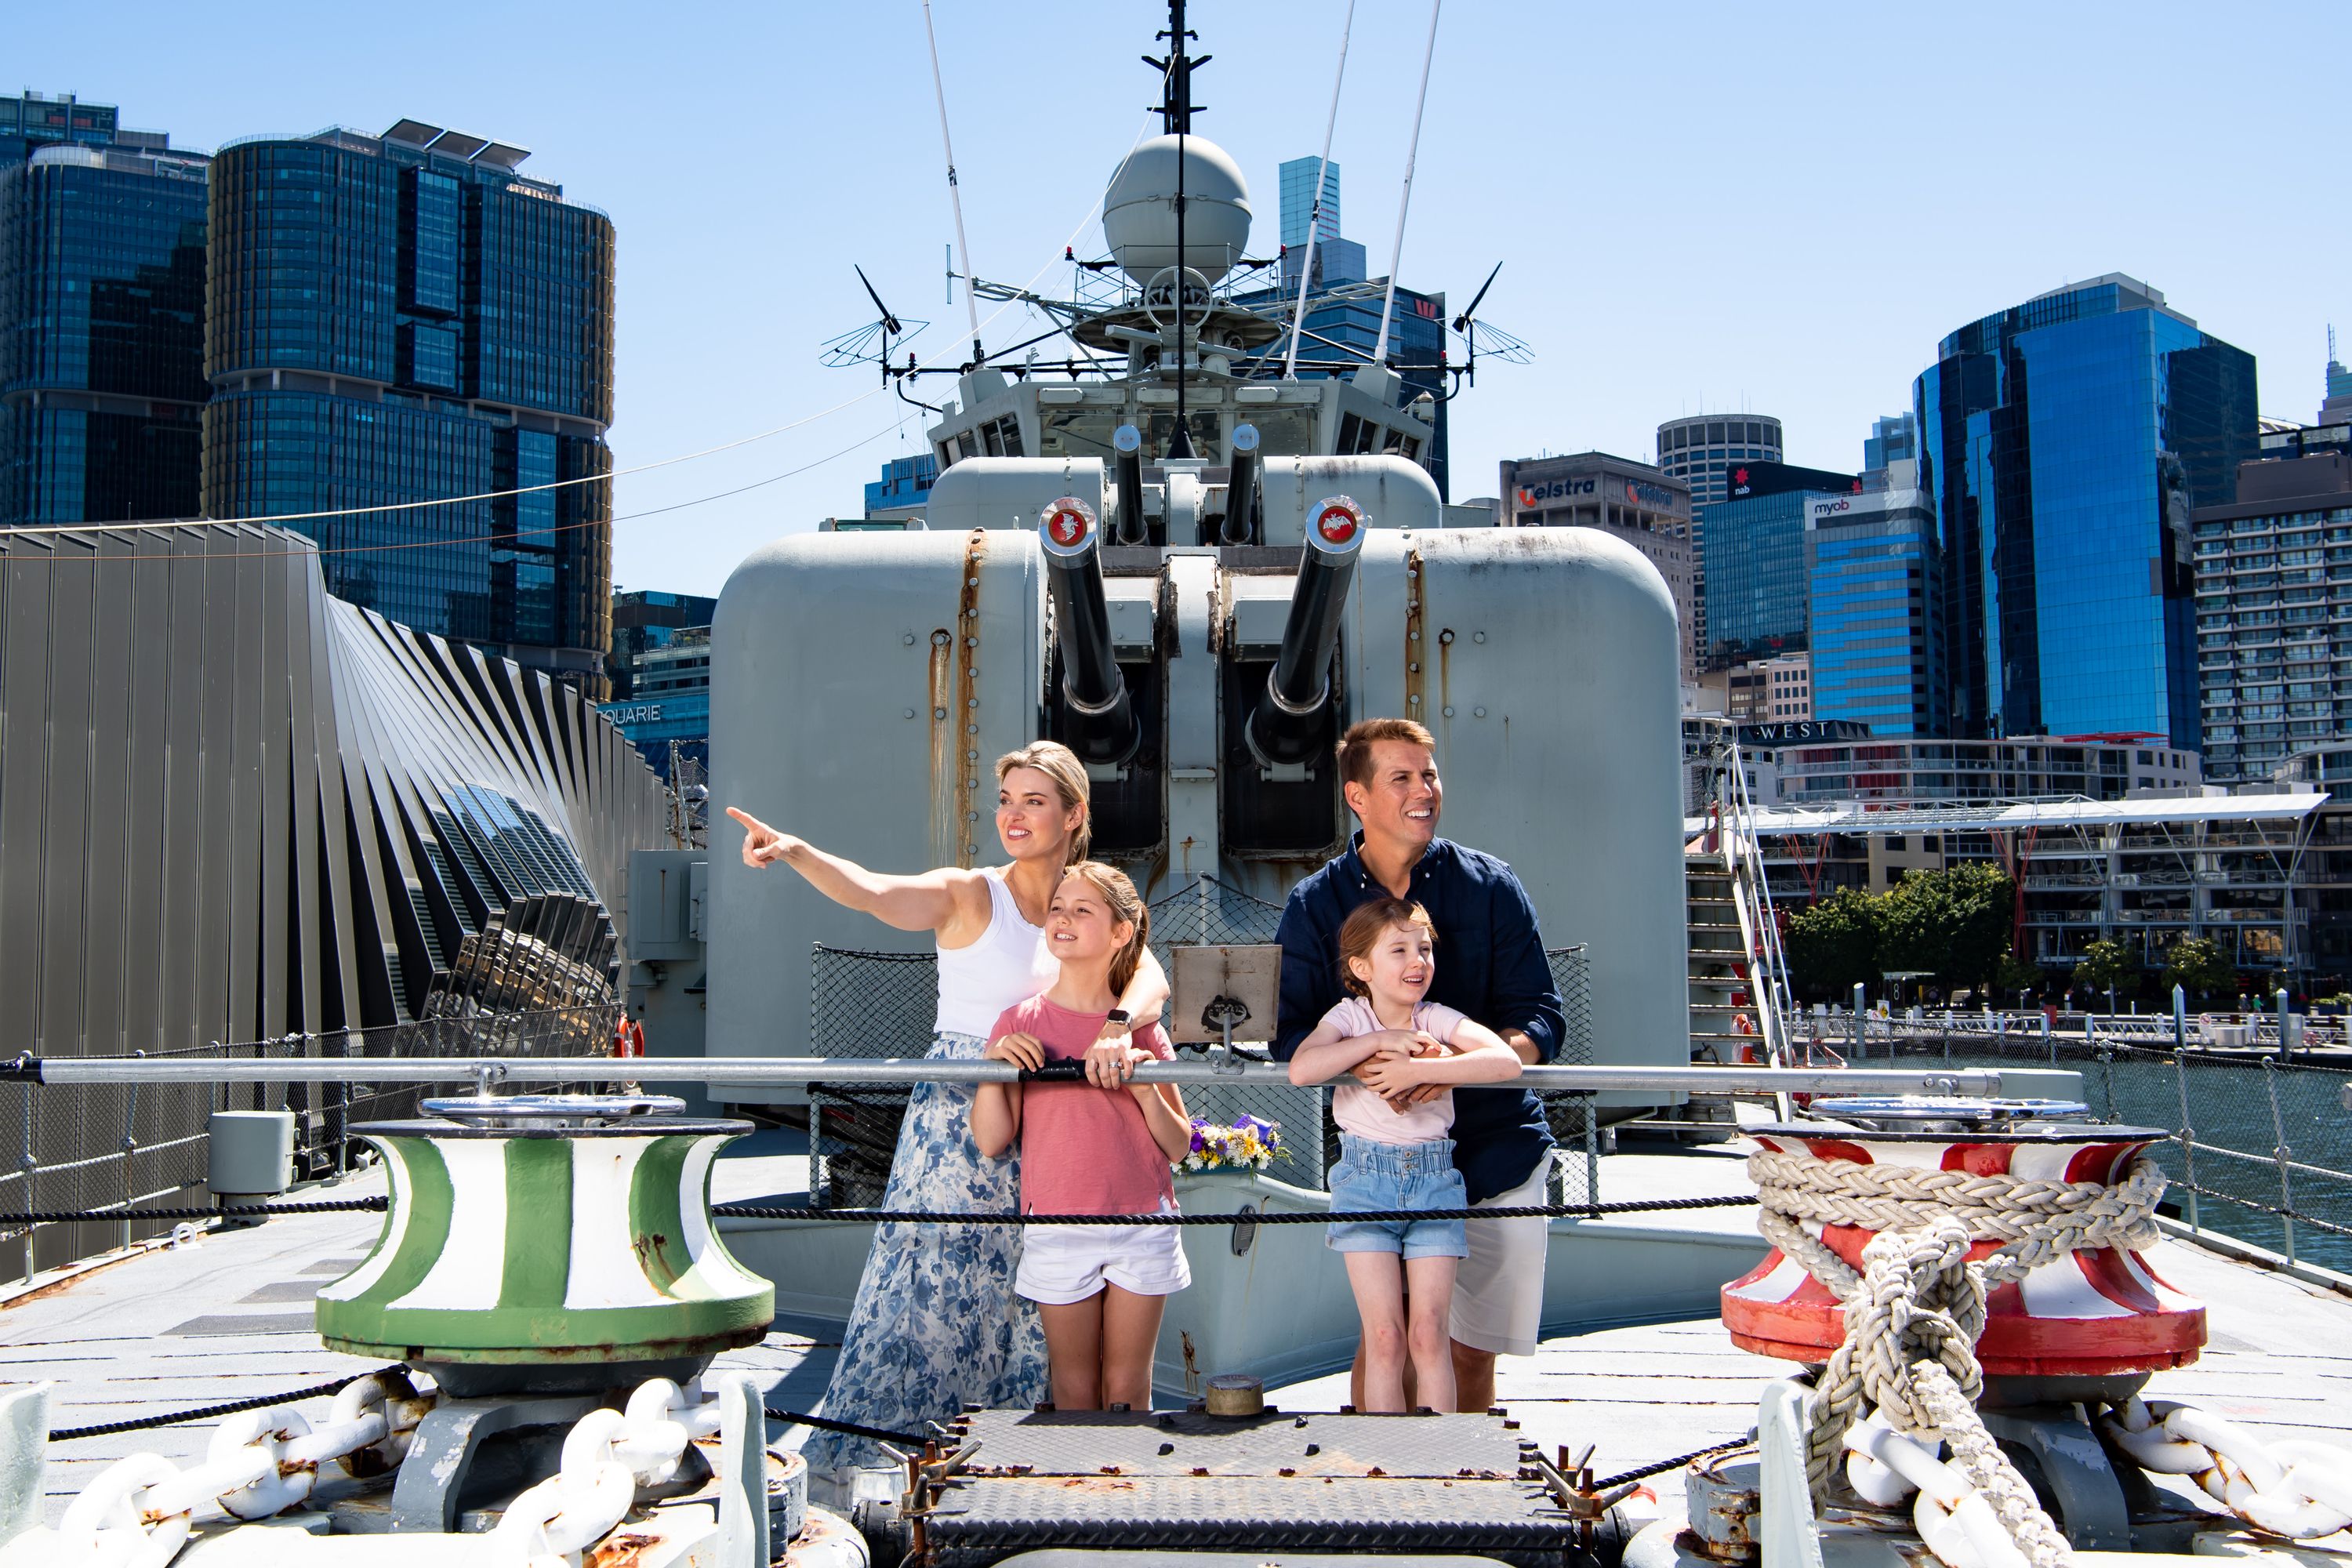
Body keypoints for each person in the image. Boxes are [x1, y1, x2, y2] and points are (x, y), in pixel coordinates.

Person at [724, 742, 1171, 1472]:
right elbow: (873, 891)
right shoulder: (971, 893)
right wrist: (799, 852)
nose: (1014, 816)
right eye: (1007, 801)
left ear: (1074, 813)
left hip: (1054, 1118)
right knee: (934, 1284)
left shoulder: (1086, 899)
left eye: (1034, 801)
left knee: (1034, 1295)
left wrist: (1120, 1024)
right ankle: (897, 1459)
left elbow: (1148, 972)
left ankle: (1023, 1459)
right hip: (959, 1118)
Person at [1272, 717, 1566, 1414]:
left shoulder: (1493, 887)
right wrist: (1378, 1061)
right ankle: (1379, 1503)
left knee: (1466, 1349)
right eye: (1401, 777)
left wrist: (1446, 1070)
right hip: (1383, 1159)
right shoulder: (1316, 904)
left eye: (1429, 775)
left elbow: (1541, 1022)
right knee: (1385, 1340)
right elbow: (1289, 1040)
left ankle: (1457, 1501)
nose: (1423, 790)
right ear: (1358, 796)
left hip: (1497, 1152)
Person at [1286, 898, 1523, 1413]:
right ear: (1361, 968)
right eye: (1399, 950)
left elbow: (1504, 1061)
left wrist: (1421, 1071)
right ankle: (1387, 1463)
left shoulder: (1435, 1019)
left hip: (1435, 1180)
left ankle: (1434, 1463)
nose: (1418, 961)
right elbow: (1303, 1069)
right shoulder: (1348, 1017)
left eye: (1424, 948)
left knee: (1428, 1336)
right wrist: (1380, 1042)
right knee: (1386, 1338)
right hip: (1364, 1181)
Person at [972, 862, 1192, 1411]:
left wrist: (1144, 1090)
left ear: (1121, 932)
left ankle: (1127, 1492)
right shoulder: (1019, 1021)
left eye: (1083, 910)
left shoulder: (1143, 1028)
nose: (1063, 919)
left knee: (1126, 1389)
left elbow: (1180, 1143)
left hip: (1142, 1223)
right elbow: (991, 1139)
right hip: (1058, 1225)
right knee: (1073, 1389)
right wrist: (994, 1066)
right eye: (1057, 908)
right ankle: (1079, 1493)